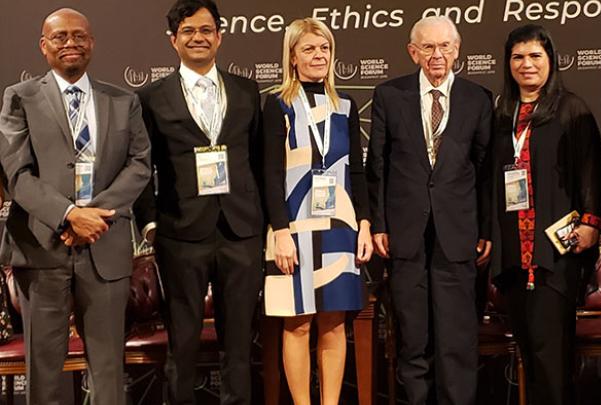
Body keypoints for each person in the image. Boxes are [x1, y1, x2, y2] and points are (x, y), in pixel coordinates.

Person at [0, 8, 151, 404]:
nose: (71, 43)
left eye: (79, 36)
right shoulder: (19, 98)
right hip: (42, 249)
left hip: (105, 245)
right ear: (43, 46)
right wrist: (69, 215)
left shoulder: (123, 100)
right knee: (44, 372)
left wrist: (93, 215)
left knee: (107, 371)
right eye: (61, 37)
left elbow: (139, 165)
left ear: (92, 43)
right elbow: (17, 175)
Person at [132, 0, 264, 403]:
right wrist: (151, 223)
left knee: (239, 346)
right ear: (174, 41)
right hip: (180, 234)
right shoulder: (151, 97)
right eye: (188, 31)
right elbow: (141, 166)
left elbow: (259, 160)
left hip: (241, 233)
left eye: (206, 30)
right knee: (184, 344)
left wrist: (267, 224)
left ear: (220, 37)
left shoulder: (246, 90)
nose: (198, 38)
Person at [365, 15, 492, 405]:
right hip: (405, 236)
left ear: (457, 51)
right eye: (428, 47)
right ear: (413, 51)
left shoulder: (478, 97)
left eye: (445, 47)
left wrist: (485, 229)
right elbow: (378, 167)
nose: (437, 55)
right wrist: (380, 224)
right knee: (413, 338)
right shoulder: (389, 95)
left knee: (457, 340)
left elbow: (486, 170)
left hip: (459, 236)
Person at [489, 24, 601, 405]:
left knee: (552, 359)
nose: (526, 65)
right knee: (530, 358)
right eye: (518, 57)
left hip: (555, 254)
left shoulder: (571, 109)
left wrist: (590, 224)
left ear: (551, 61)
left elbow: (591, 170)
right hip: (513, 257)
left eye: (535, 56)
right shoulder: (501, 115)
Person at [262, 17, 373, 405]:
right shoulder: (278, 105)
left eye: (324, 48)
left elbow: (356, 171)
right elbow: (271, 175)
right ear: (292, 57)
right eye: (309, 49)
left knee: (334, 324)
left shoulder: (345, 105)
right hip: (293, 227)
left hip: (340, 226)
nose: (318, 55)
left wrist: (364, 223)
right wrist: (280, 232)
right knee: (297, 324)